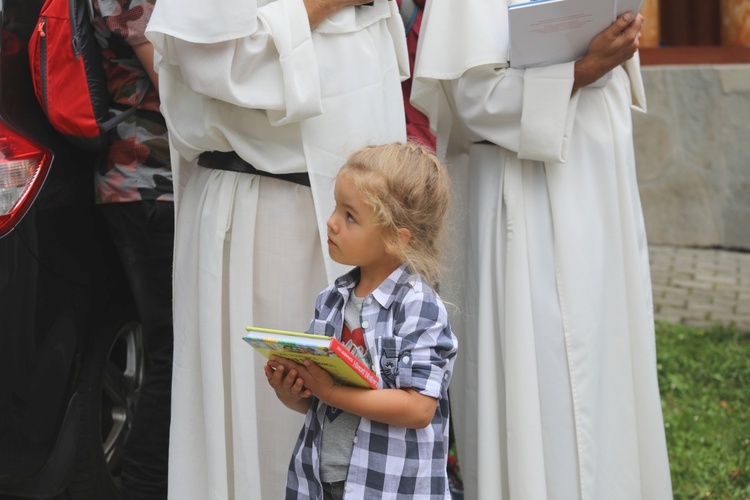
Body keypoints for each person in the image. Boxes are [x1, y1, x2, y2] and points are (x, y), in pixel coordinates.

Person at [144, 1, 409, 498]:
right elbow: (219, 62)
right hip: (270, 214)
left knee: (364, 437)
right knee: (270, 431)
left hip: (365, 216)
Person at [411, 2, 673, 499]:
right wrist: (583, 69)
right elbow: (474, 99)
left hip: (596, 169)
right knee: (542, 374)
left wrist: (614, 44)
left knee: (608, 353)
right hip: (521, 187)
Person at [265, 142, 458, 499]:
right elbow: (318, 402)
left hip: (388, 488)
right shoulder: (331, 300)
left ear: (395, 239)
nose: (331, 222)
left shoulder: (417, 305)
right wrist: (292, 389)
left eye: (350, 216)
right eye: (336, 206)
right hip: (320, 484)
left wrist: (331, 391)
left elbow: (418, 408)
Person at [89, 0, 173, 498]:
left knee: (167, 341)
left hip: (142, 181)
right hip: (147, 181)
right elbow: (176, 83)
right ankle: (144, 485)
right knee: (173, 344)